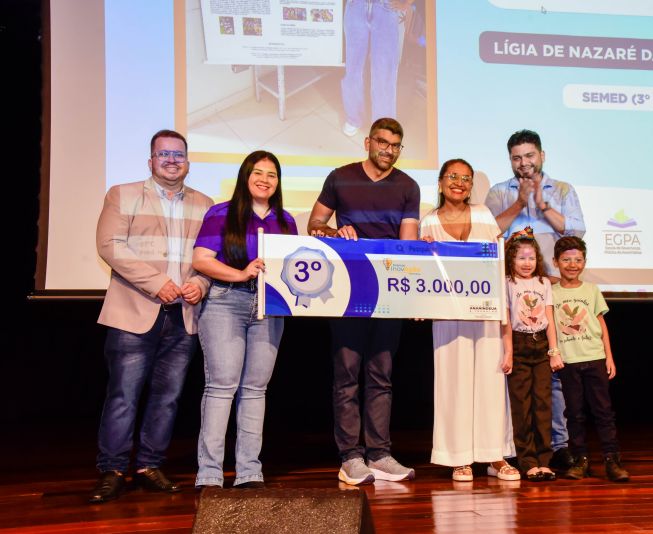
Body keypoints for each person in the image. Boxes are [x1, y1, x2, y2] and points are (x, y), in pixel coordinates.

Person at [91, 130, 214, 503]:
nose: (171, 160)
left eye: (178, 154)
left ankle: (148, 464)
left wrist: (201, 283)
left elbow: (213, 256)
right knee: (123, 395)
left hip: (184, 317)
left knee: (168, 397)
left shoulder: (206, 204)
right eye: (164, 154)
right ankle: (112, 469)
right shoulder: (123, 194)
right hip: (134, 313)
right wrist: (157, 282)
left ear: (188, 162)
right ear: (150, 161)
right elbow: (109, 244)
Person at [308, 117, 419, 485]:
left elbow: (407, 246)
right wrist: (334, 230)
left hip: (389, 293)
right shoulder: (340, 177)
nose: (388, 150)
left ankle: (380, 454)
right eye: (383, 143)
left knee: (381, 376)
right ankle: (351, 456)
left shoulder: (408, 186)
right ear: (368, 142)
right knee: (347, 375)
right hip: (347, 291)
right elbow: (314, 227)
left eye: (395, 145)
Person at [192, 151, 298, 489]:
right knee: (222, 387)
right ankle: (209, 473)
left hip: (269, 308)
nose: (265, 179)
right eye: (258, 172)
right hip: (225, 302)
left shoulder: (286, 221)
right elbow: (201, 260)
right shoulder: (221, 213)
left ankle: (249, 471)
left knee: (255, 389)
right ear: (245, 176)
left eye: (272, 174)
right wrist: (240, 274)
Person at [485, 129, 586, 472]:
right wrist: (519, 203)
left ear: (542, 155)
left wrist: (542, 204)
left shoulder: (563, 190)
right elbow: (487, 233)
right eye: (517, 157)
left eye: (530, 155)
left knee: (554, 376)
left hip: (553, 289)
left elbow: (574, 235)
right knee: (515, 375)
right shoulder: (499, 192)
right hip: (512, 292)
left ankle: (556, 445)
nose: (524, 163)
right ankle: (517, 446)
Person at [420, 159, 519, 482]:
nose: (459, 183)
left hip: (485, 309)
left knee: (490, 382)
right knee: (453, 381)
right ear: (439, 182)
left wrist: (503, 313)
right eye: (453, 177)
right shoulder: (429, 222)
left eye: (466, 178)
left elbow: (494, 263)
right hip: (447, 312)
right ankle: (458, 456)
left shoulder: (482, 214)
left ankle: (494, 455)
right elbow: (422, 269)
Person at [551, 236, 629, 482]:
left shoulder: (592, 290)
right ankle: (580, 460)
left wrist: (609, 356)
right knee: (574, 413)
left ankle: (611, 460)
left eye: (578, 260)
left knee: (603, 411)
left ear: (584, 262)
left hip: (595, 357)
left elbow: (601, 324)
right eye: (566, 260)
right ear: (556, 262)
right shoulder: (551, 293)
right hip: (568, 361)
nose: (573, 265)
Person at [501, 229, 562, 481]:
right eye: (521, 258)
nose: (527, 264)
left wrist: (554, 351)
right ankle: (527, 461)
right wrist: (509, 353)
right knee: (522, 406)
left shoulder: (544, 283)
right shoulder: (506, 283)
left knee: (543, 404)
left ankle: (544, 460)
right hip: (519, 343)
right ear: (511, 260)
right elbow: (505, 322)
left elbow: (549, 318)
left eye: (532, 258)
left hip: (540, 347)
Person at [340, 0, 414, 136]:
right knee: (353, 68)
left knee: (384, 71)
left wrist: (408, 3)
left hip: (386, 8)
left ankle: (383, 124)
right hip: (355, 6)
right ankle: (353, 118)